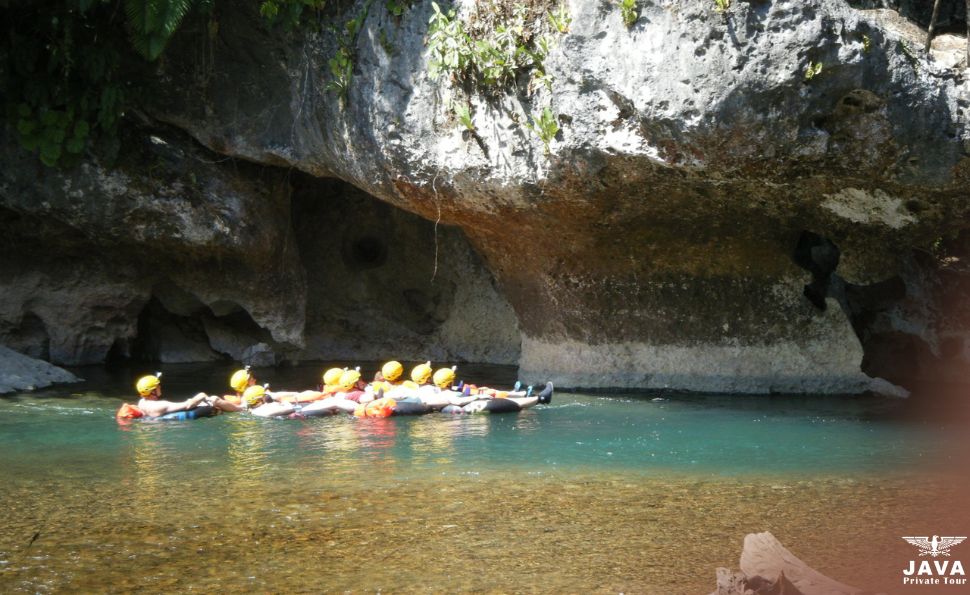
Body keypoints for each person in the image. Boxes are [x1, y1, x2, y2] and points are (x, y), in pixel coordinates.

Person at [134, 373, 243, 417]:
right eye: (158, 386)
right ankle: (241, 409)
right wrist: (201, 396)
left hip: (159, 419)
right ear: (152, 391)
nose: (160, 387)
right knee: (214, 399)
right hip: (175, 420)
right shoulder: (161, 405)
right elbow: (187, 405)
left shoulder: (142, 402)